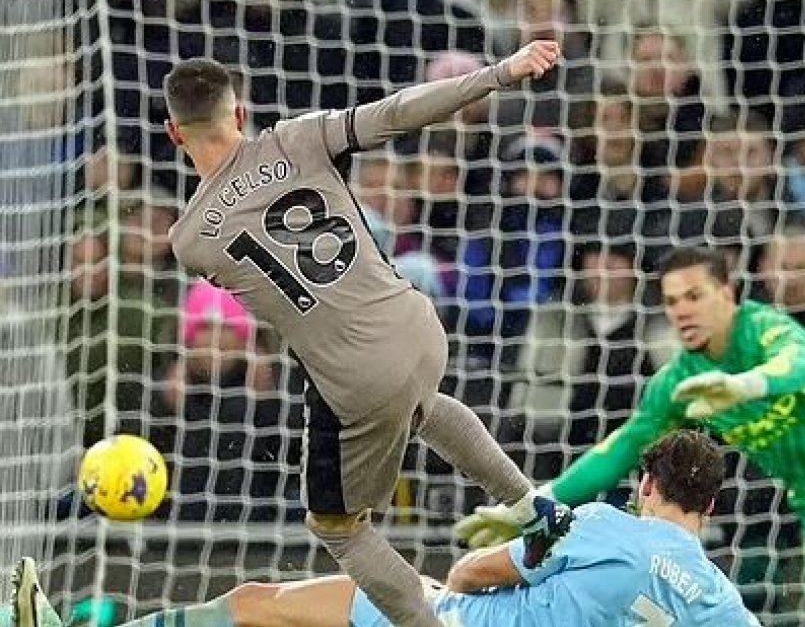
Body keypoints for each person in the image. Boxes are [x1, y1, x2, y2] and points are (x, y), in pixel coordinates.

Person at [161, 40, 569, 627]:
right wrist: (500, 73)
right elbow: (401, 111)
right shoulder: (298, 137)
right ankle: (535, 507)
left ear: (175, 133)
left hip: (354, 374)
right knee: (422, 406)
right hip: (417, 323)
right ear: (241, 113)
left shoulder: (189, 239)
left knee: (338, 528)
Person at [456, 245, 805, 626]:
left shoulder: (765, 328)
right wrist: (535, 504)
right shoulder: (677, 382)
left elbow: (801, 363)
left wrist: (748, 385)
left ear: (728, 293)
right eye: (672, 301)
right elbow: (622, 448)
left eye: (694, 296)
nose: (682, 310)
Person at [11, 431, 760, 627]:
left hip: (449, 618)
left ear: (647, 484)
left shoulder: (600, 525)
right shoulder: (725, 606)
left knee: (253, 606)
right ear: (714, 509)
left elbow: (474, 575)